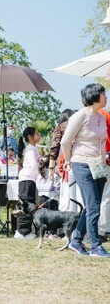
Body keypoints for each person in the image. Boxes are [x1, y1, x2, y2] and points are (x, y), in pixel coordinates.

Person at [61, 83, 110, 257]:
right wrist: (68, 160)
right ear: (95, 96)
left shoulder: (101, 117)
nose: (106, 97)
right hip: (81, 164)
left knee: (91, 207)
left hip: (99, 165)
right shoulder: (79, 116)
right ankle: (95, 245)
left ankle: (76, 240)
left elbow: (102, 142)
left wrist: (104, 157)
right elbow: (65, 141)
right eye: (104, 94)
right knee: (94, 206)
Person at [14, 127, 41, 240]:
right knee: (26, 204)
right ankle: (22, 232)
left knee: (29, 203)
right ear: (30, 137)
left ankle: (25, 230)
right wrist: (41, 163)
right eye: (37, 133)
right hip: (27, 179)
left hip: (29, 179)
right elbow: (34, 165)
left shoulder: (32, 148)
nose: (39, 135)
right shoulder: (31, 149)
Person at [98, 107, 110, 241]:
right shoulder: (105, 115)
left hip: (88, 160)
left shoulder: (83, 114)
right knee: (105, 196)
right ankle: (103, 229)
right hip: (104, 159)